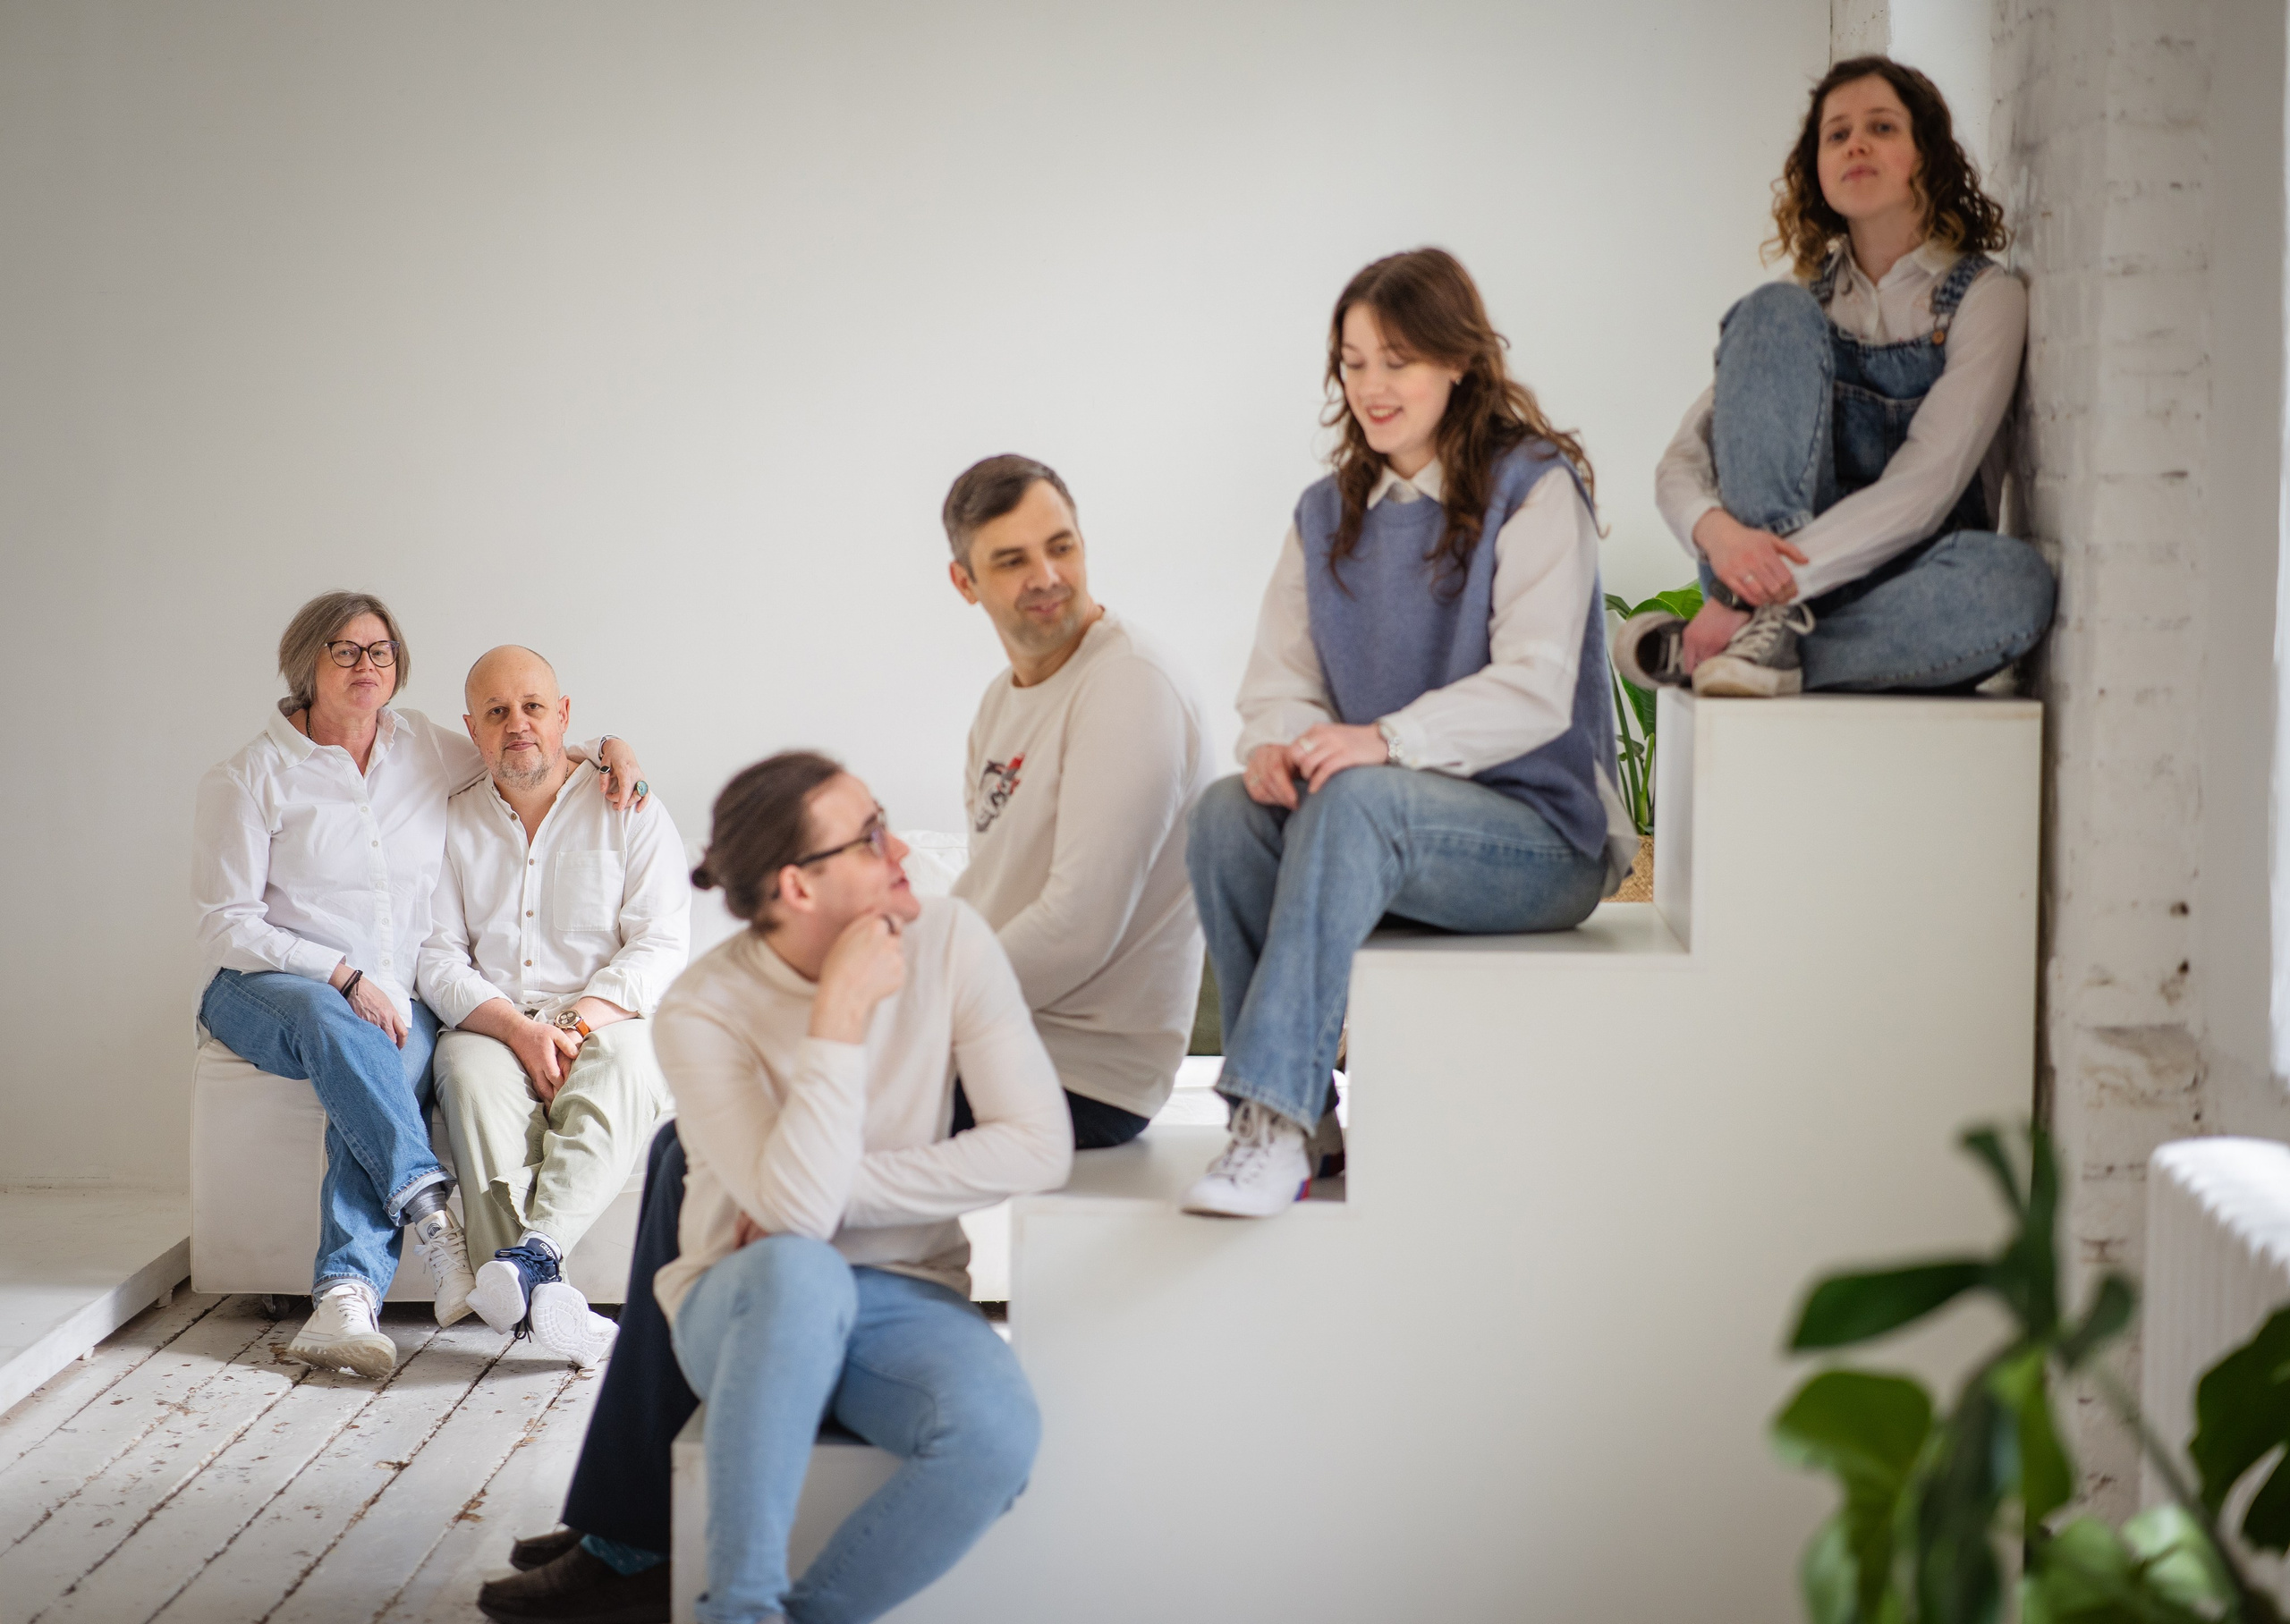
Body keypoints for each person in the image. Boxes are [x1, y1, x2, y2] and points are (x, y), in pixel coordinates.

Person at [1183, 247, 1638, 1220]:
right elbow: (1280, 685)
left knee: (1360, 798)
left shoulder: (1533, 488)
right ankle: (1311, 1122)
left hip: (1539, 839)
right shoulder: (1324, 515)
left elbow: (1535, 688)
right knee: (1225, 815)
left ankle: (1270, 1118)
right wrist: (1280, 746)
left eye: (1396, 359)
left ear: (1456, 360)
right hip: (1385, 822)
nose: (1371, 387)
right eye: (1352, 363)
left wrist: (1382, 738)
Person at [192, 592, 647, 1378]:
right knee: (340, 1026)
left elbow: (524, 741)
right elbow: (224, 922)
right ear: (307, 664)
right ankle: (432, 1211)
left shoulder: (426, 749)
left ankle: (345, 1301)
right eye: (345, 651)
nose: (367, 666)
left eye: (381, 652)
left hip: (393, 999)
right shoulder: (250, 775)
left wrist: (612, 746)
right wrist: (342, 973)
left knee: (384, 1068)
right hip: (268, 989)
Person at [674, 753, 1071, 1624]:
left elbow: (1040, 1146)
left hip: (906, 1293)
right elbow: (794, 1226)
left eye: (880, 820)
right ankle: (738, 1607)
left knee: (994, 1436)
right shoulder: (700, 1009)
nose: (896, 848)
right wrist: (838, 1018)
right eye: (866, 838)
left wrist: (834, 1189)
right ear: (797, 887)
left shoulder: (952, 938)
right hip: (741, 1300)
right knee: (798, 1268)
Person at [1616, 55, 2056, 698]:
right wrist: (1719, 537)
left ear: (1925, 154)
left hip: (1912, 578)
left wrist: (1748, 592)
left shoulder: (1984, 297)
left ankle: (1740, 646)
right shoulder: (1798, 313)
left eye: (1882, 127)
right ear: (1817, 169)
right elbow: (1682, 463)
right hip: (1771, 577)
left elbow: (1926, 487)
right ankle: (1767, 639)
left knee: (2013, 586)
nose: (1856, 143)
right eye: (1837, 133)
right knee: (1771, 310)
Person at [416, 646, 691, 1368]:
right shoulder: (448, 821)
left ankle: (528, 1260)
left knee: (639, 1059)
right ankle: (545, 1280)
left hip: (605, 1019)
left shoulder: (628, 805)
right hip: (493, 1022)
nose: (518, 725)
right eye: (497, 712)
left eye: (533, 706)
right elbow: (437, 956)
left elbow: (662, 943)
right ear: (472, 728)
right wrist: (517, 1028)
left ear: (563, 716)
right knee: (464, 1073)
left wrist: (568, 1027)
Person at [942, 453, 1212, 1145]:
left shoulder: (1130, 685)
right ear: (965, 584)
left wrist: (913, 1015)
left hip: (1080, 1078)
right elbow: (1000, 895)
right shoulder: (998, 705)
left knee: (716, 1148)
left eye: (1061, 547)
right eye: (1011, 561)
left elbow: (1076, 928)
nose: (1047, 578)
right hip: (993, 1048)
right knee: (701, 1139)